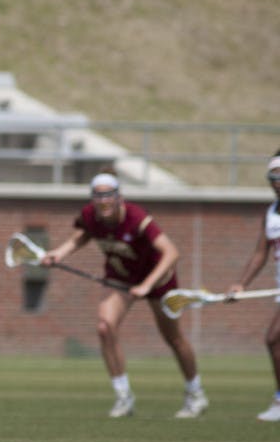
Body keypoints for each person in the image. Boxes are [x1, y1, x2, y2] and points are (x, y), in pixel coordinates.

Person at [42, 170, 209, 419]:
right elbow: (81, 237)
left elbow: (171, 253)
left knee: (173, 338)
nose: (103, 201)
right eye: (97, 196)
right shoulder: (90, 216)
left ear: (119, 196)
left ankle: (195, 392)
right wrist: (59, 253)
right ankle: (123, 397)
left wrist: (147, 285)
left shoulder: (137, 218)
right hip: (120, 277)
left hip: (158, 279)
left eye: (108, 195)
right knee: (104, 327)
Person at [226, 151, 280, 422]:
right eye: (273, 177)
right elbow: (260, 254)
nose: (277, 182)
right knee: (275, 340)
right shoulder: (271, 214)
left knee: (274, 338)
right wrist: (241, 284)